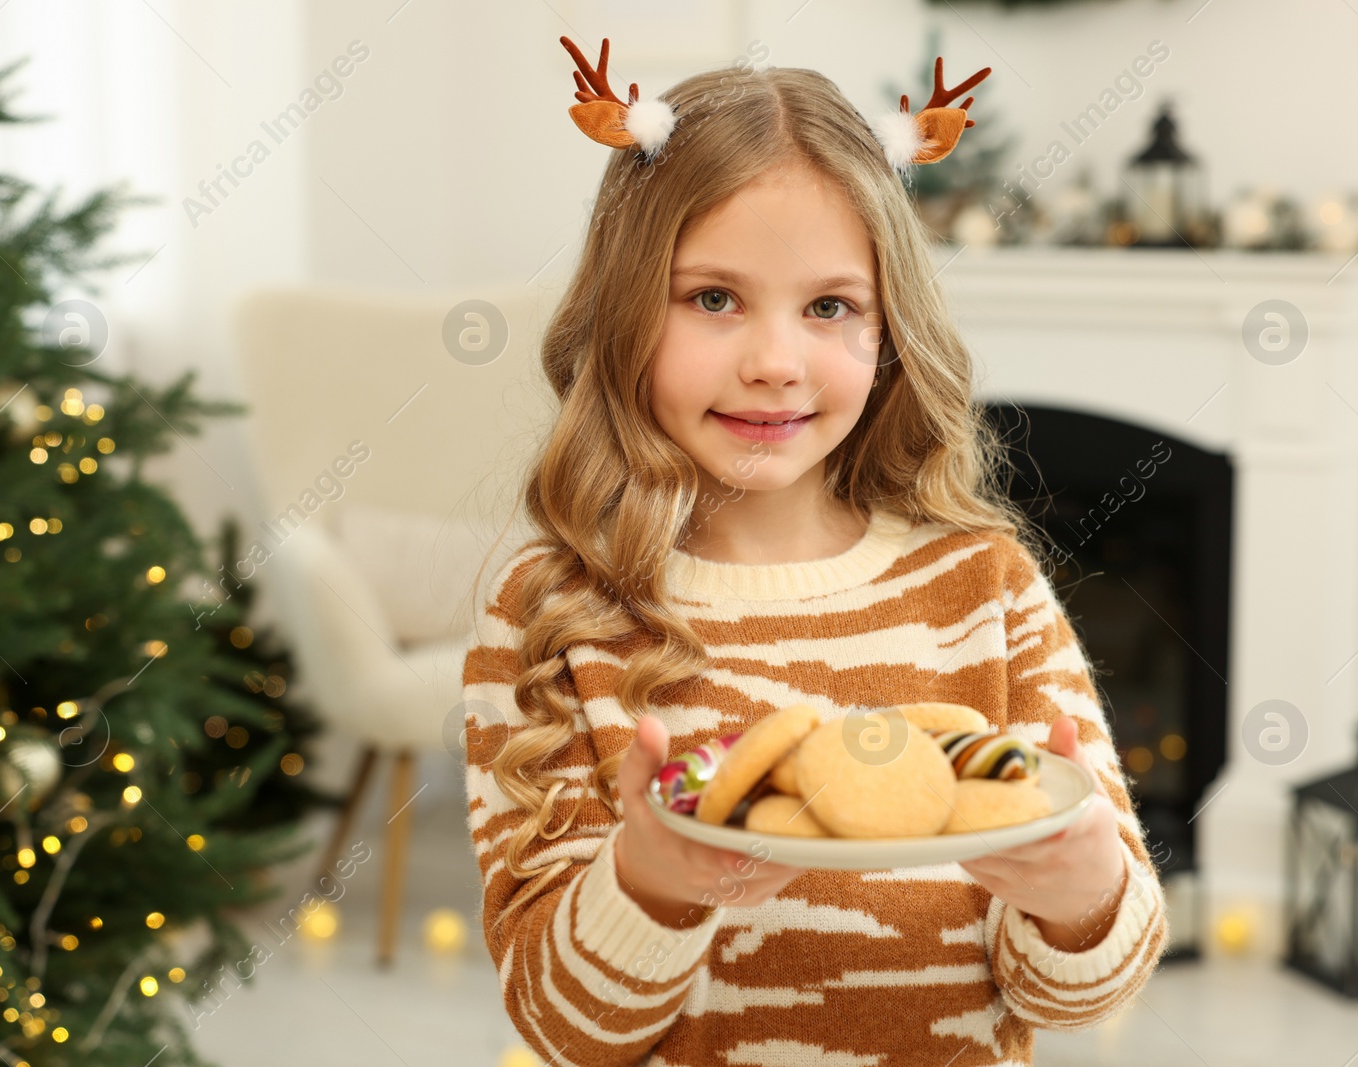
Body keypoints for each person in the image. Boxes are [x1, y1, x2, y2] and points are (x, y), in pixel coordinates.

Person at [460, 36, 1168, 1067]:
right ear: (619, 313)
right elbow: (561, 1023)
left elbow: (1078, 989)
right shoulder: (552, 609)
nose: (774, 363)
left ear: (888, 335)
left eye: (829, 306)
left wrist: (1081, 895)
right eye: (712, 298)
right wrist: (649, 881)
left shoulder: (983, 588)